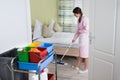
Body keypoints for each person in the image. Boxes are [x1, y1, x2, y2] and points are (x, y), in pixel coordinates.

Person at [72, 7, 89, 73]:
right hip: (81, 39)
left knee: (85, 55)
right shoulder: (79, 19)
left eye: (75, 14)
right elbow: (77, 31)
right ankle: (77, 65)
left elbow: (86, 29)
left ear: (78, 13)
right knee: (81, 53)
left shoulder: (85, 19)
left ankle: (86, 69)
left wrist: (80, 31)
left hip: (85, 39)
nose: (74, 15)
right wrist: (74, 38)